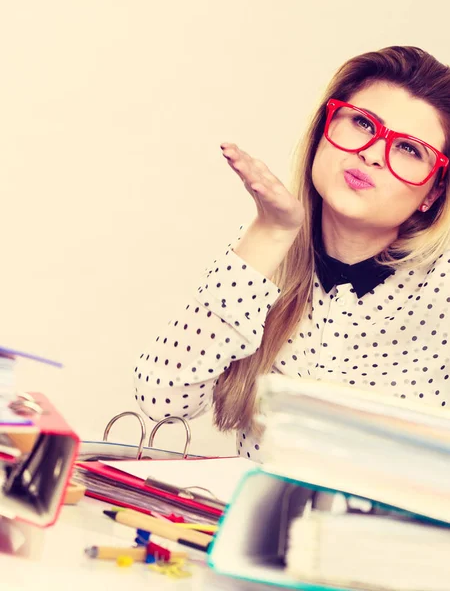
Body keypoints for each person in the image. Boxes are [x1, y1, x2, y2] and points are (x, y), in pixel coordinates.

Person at [134, 45, 450, 461]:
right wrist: (269, 233)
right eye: (361, 123)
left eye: (410, 149)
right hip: (261, 520)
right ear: (324, 130)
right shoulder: (263, 253)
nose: (372, 153)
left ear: (433, 192)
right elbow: (161, 400)